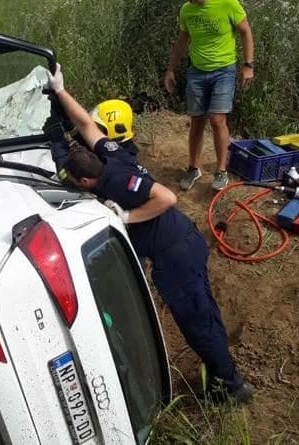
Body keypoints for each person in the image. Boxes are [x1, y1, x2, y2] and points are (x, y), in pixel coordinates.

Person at [47, 64, 254, 403]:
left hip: (175, 255)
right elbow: (85, 124)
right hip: (183, 240)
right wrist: (59, 90)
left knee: (195, 320)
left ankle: (231, 387)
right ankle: (221, 369)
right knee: (202, 311)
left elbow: (167, 197)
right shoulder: (110, 153)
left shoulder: (118, 183)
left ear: (85, 182)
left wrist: (127, 217)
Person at [164, 0, 255, 191]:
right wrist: (170, 69)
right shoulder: (187, 10)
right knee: (197, 120)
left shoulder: (228, 4)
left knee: (217, 119)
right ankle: (193, 168)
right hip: (196, 72)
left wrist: (248, 65)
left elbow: (245, 31)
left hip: (223, 71)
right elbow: (182, 40)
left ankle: (221, 171)